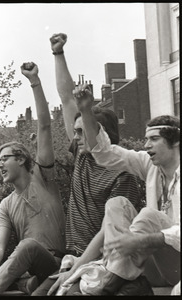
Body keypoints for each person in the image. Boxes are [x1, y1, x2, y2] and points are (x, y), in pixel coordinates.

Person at [31, 33, 150, 296]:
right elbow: (67, 99)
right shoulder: (83, 156)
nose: (75, 137)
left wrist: (76, 269)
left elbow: (108, 233)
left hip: (101, 261)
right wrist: (58, 54)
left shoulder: (123, 173)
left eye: (81, 131)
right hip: (75, 257)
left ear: (102, 134)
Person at [56, 84, 180, 296]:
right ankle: (116, 277)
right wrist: (86, 109)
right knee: (117, 204)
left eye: (154, 139)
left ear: (176, 142)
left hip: (176, 263)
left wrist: (141, 240)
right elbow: (105, 153)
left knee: (149, 215)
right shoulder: (149, 164)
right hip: (152, 263)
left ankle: (107, 284)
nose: (147, 145)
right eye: (146, 139)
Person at [0, 62, 66, 295]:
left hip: (55, 264)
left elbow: (44, 126)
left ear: (21, 159)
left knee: (29, 246)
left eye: (4, 159)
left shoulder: (43, 178)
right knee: (30, 284)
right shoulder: (6, 204)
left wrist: (35, 81)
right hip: (30, 273)